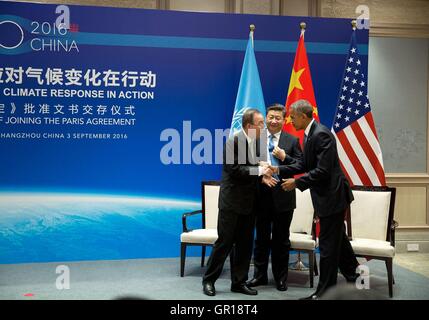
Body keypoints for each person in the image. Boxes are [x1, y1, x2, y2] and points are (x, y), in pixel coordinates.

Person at [276, 99, 359, 300]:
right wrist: (278, 169)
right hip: (326, 197)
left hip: (333, 197)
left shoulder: (321, 134)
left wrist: (296, 183)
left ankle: (324, 293)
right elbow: (304, 164)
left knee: (329, 247)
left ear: (304, 116)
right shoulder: (309, 134)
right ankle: (355, 274)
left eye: (293, 117)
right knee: (337, 239)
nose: (290, 120)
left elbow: (322, 171)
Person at [202, 108, 270, 297]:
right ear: (249, 126)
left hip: (250, 203)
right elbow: (235, 170)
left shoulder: (259, 142)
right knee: (224, 243)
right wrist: (259, 171)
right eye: (260, 123)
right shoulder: (233, 142)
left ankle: (238, 283)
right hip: (232, 202)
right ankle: (208, 280)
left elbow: (260, 166)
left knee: (245, 244)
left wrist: (264, 172)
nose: (264, 126)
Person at [246, 103, 303, 292]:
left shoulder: (292, 141)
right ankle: (259, 276)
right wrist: (261, 175)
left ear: (284, 120)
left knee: (281, 240)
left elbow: (302, 166)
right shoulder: (256, 139)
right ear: (266, 118)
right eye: (270, 117)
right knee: (261, 239)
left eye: (278, 118)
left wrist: (285, 157)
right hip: (261, 196)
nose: (273, 121)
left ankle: (280, 278)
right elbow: (247, 166)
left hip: (284, 197)